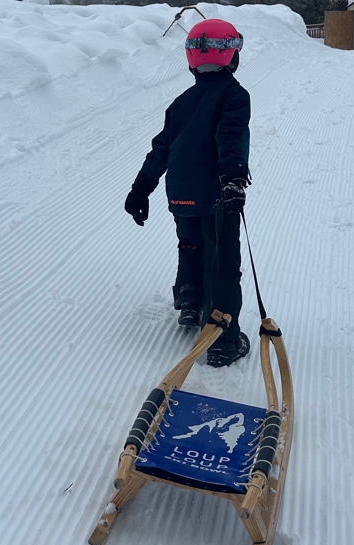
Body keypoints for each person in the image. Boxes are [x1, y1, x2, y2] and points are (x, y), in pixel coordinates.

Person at [123, 18, 251, 368]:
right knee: (221, 260)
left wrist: (140, 189)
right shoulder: (234, 95)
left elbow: (161, 149)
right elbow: (230, 136)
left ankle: (191, 301)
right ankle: (223, 340)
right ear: (231, 57)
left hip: (180, 191)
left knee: (190, 243)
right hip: (216, 192)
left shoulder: (180, 102)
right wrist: (234, 179)